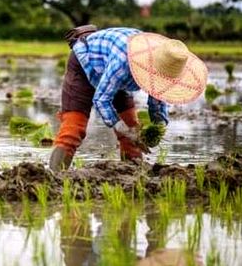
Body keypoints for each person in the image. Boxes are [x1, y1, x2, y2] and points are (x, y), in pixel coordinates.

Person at [49, 26, 208, 171]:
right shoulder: (122, 63)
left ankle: (130, 173)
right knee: (74, 127)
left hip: (114, 73)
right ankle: (54, 177)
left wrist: (158, 128)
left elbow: (157, 102)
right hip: (85, 64)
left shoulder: (163, 62)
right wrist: (125, 130)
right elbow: (101, 100)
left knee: (132, 127)